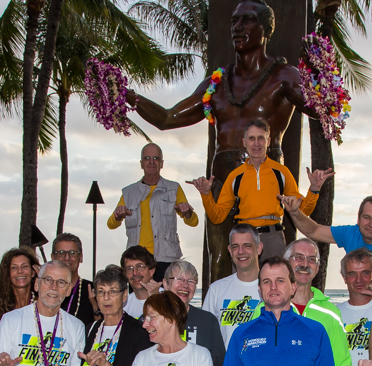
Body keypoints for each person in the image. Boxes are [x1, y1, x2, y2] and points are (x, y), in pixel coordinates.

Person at [128, 0, 323, 282]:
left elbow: (322, 110)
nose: (238, 28)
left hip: (264, 185)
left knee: (269, 265)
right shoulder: (217, 84)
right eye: (234, 22)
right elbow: (168, 118)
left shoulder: (283, 76)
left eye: (247, 21)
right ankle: (217, 322)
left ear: (266, 29)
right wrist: (129, 97)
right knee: (219, 260)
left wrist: (322, 76)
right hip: (222, 183)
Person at [187, 119, 332, 260]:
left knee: (278, 282)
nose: (256, 143)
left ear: (268, 141)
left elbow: (303, 211)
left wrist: (314, 189)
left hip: (273, 238)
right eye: (251, 138)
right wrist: (206, 194)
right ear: (244, 143)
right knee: (244, 284)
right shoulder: (235, 176)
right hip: (245, 237)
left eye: (261, 138)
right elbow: (217, 217)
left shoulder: (281, 171)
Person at [107, 143, 199, 282]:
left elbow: (194, 221)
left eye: (155, 158)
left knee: (166, 302)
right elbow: (111, 224)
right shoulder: (129, 192)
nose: (151, 162)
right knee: (138, 302)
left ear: (161, 163)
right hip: (137, 262)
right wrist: (117, 216)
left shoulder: (174, 189)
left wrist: (187, 213)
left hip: (166, 259)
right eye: (147, 158)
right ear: (141, 163)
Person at [283, 194, 372, 287]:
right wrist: (295, 212)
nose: (371, 224)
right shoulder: (350, 233)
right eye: (367, 217)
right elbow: (314, 231)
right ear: (358, 219)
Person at [202, 223, 263, 347]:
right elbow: (205, 335)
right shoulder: (216, 289)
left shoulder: (271, 289)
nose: (241, 252)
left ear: (259, 248)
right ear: (230, 250)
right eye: (236, 247)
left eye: (247, 246)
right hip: (226, 365)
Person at [0, 247, 39, 323]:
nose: (20, 271)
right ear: (7, 274)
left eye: (25, 266)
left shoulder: (43, 306)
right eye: (14, 268)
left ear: (33, 272)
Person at [52, 233, 96, 324]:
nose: (67, 258)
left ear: (81, 257)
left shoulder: (94, 290)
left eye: (72, 253)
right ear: (53, 257)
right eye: (61, 253)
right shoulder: (45, 291)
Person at [121, 246, 161, 319]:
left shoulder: (168, 299)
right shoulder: (123, 306)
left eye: (140, 266)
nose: (135, 273)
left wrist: (155, 300)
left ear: (151, 271)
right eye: (129, 268)